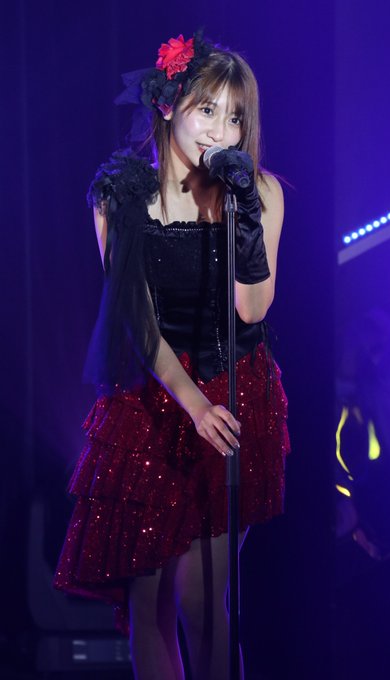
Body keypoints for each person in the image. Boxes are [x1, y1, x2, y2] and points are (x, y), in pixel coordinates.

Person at [54, 31, 289, 680]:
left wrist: (244, 212)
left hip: (235, 388)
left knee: (201, 597)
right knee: (149, 599)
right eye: (207, 109)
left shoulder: (260, 191)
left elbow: (252, 309)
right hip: (152, 397)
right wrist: (189, 404)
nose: (222, 129)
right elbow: (135, 315)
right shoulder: (120, 194)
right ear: (167, 105)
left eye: (235, 116)